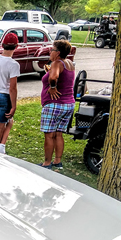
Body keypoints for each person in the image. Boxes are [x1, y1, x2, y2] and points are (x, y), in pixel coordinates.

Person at [38, 39, 76, 170]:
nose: (50, 51)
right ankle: (57, 161)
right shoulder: (69, 63)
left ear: (58, 53)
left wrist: (52, 86)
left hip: (54, 105)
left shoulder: (56, 63)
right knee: (58, 134)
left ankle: (47, 163)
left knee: (49, 135)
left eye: (52, 49)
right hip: (68, 104)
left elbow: (54, 77)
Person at [0, 32, 20, 154]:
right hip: (5, 96)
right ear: (16, 46)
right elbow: (13, 88)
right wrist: (14, 106)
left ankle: (1, 147)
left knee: (9, 121)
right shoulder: (13, 64)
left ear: (2, 45)